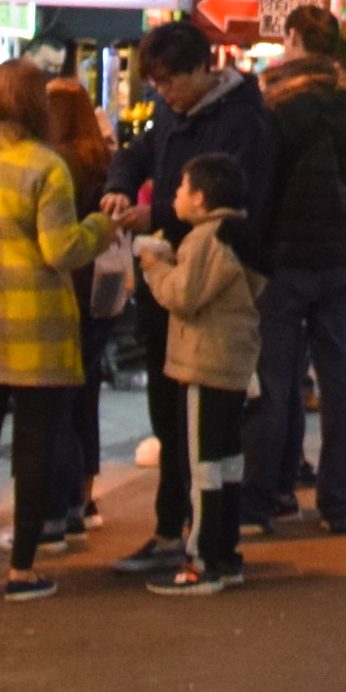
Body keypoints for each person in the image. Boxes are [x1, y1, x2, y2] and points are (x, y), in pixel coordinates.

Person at [0, 61, 116, 601]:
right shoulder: (46, 167)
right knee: (35, 443)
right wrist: (101, 228)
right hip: (38, 325)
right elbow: (60, 249)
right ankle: (21, 569)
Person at [107, 20, 274, 580]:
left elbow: (228, 203)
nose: (163, 92)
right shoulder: (174, 114)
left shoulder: (243, 122)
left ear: (204, 68)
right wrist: (119, 184)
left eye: (170, 80)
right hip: (174, 307)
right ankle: (179, 532)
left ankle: (202, 548)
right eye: (155, 82)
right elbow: (139, 152)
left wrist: (153, 226)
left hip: (203, 302)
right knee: (171, 418)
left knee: (199, 436)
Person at [245, 13, 346, 536]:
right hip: (343, 254)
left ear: (293, 39)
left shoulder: (275, 103)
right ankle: (337, 502)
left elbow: (262, 181)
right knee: (339, 378)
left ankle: (264, 499)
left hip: (285, 257)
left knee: (275, 383)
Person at [133, 152, 265, 595]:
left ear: (202, 198)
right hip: (232, 360)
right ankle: (225, 554)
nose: (175, 197)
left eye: (181, 189)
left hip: (205, 361)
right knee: (225, 461)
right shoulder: (237, 233)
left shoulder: (206, 239)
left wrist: (155, 267)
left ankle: (202, 559)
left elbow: (183, 295)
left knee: (201, 463)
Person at [48, 73, 121, 530]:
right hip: (103, 289)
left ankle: (60, 504)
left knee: (57, 402)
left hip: (65, 290)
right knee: (87, 395)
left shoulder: (55, 164)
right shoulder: (102, 160)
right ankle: (86, 496)